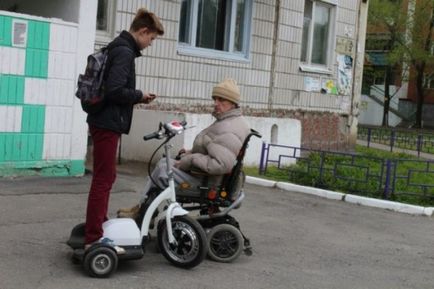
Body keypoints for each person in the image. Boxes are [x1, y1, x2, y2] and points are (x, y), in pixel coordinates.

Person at [84, 8, 164, 249]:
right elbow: (115, 90)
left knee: (106, 176)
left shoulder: (118, 46)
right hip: (106, 123)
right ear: (142, 31)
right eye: (151, 39)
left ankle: (97, 225)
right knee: (103, 179)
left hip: (104, 121)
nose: (150, 44)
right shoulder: (124, 52)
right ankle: (93, 237)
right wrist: (139, 95)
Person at [117, 78, 251, 219]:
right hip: (207, 177)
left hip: (209, 182)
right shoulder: (228, 121)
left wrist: (191, 159)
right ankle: (143, 208)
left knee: (163, 171)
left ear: (233, 102)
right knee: (164, 163)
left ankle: (144, 213)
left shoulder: (229, 128)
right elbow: (214, 148)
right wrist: (190, 152)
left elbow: (220, 164)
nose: (216, 103)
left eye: (221, 99)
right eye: (215, 99)